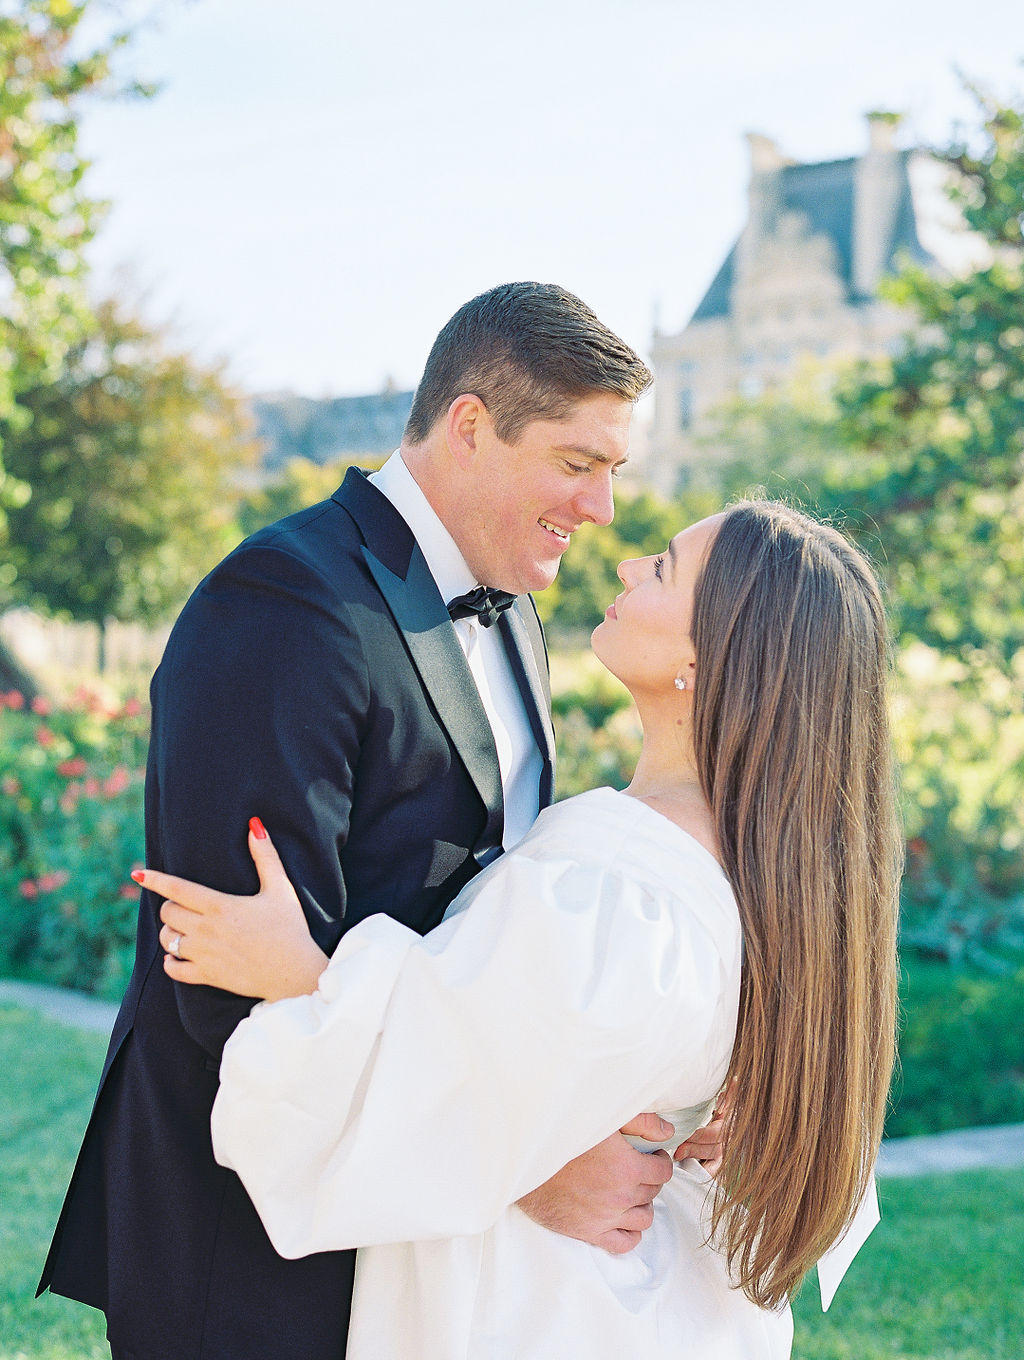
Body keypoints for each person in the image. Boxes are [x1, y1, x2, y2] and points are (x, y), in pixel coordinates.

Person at [39, 282, 689, 1360]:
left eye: (614, 471)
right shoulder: (285, 605)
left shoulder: (513, 603)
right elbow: (231, 991)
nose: (603, 508)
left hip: (407, 1219)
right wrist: (519, 1158)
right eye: (578, 464)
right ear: (471, 426)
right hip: (249, 1231)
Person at [137, 501, 902, 1359]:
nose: (624, 562)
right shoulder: (775, 871)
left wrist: (301, 973)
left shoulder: (619, 887)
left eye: (662, 569)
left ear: (707, 657)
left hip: (542, 1305)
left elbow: (458, 1073)